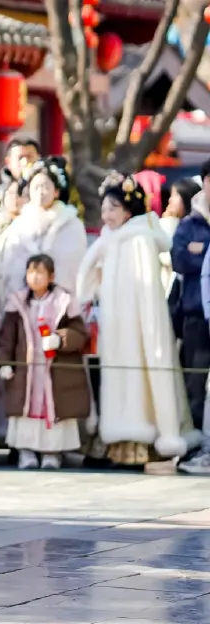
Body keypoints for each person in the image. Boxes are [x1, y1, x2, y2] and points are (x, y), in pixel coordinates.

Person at [78, 172, 196, 466]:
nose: (106, 215)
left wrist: (149, 329)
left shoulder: (140, 238)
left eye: (112, 208)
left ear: (128, 210)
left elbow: (148, 292)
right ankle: (121, 441)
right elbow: (85, 280)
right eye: (104, 209)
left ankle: (147, 439)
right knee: (118, 377)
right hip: (115, 323)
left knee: (139, 379)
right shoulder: (111, 239)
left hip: (139, 326)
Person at [0, 254, 90, 470]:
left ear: (51, 276)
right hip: (26, 370)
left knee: (54, 408)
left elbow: (80, 333)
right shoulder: (18, 302)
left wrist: (61, 338)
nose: (35, 277)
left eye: (40, 272)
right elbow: (7, 337)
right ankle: (26, 452)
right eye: (31, 272)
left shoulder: (64, 301)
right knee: (25, 409)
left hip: (55, 370)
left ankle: (52, 453)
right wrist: (5, 362)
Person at [0, 158, 86, 304]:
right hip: (22, 300)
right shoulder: (20, 224)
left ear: (56, 191)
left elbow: (73, 265)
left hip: (61, 302)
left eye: (46, 187)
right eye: (36, 187)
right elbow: (9, 264)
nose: (41, 192)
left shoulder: (71, 224)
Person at [0, 137, 41, 202]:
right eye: (20, 158)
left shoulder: (48, 190)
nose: (25, 162)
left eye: (30, 157)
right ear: (8, 162)